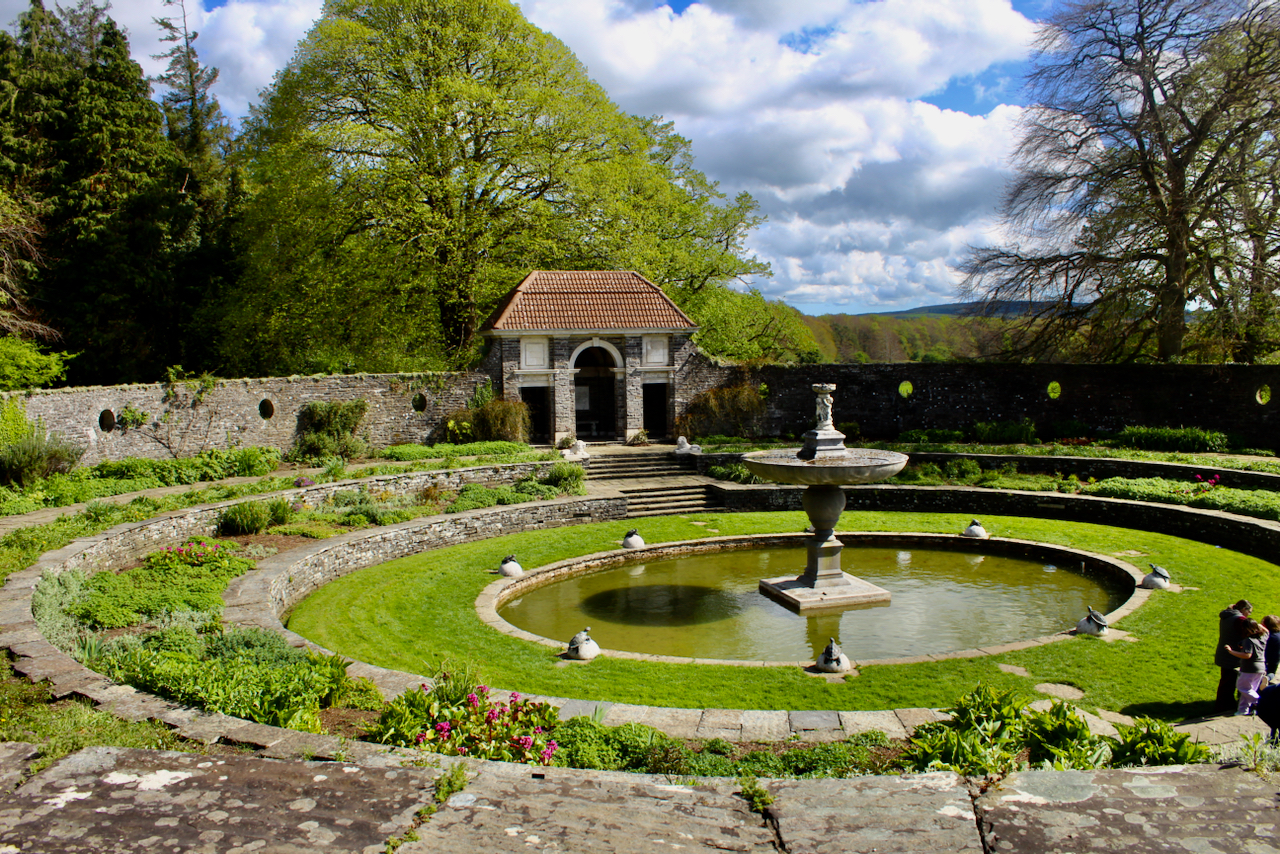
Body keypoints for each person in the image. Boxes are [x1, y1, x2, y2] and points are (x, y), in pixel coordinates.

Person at [1224, 619, 1268, 715]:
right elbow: (1266, 631)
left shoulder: (1248, 640)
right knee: (1249, 691)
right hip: (1261, 667)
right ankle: (1242, 710)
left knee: (1242, 688)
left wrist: (1231, 651)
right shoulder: (1263, 637)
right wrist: (1257, 625)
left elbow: (1247, 655)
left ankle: (1262, 702)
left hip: (1249, 668)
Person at [1216, 600, 1252, 713]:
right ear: (1244, 609)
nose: (1249, 614)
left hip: (1224, 652)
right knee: (1229, 681)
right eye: (1249, 612)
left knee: (1226, 680)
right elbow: (1250, 633)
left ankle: (1224, 704)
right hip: (1233, 655)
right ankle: (1224, 706)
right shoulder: (1240, 620)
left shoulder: (1227, 615)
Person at [1265, 615, 1280, 684]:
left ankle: (1267, 678)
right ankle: (1268, 678)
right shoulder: (1277, 634)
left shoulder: (1268, 636)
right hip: (1275, 660)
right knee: (1272, 672)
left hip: (1266, 660)